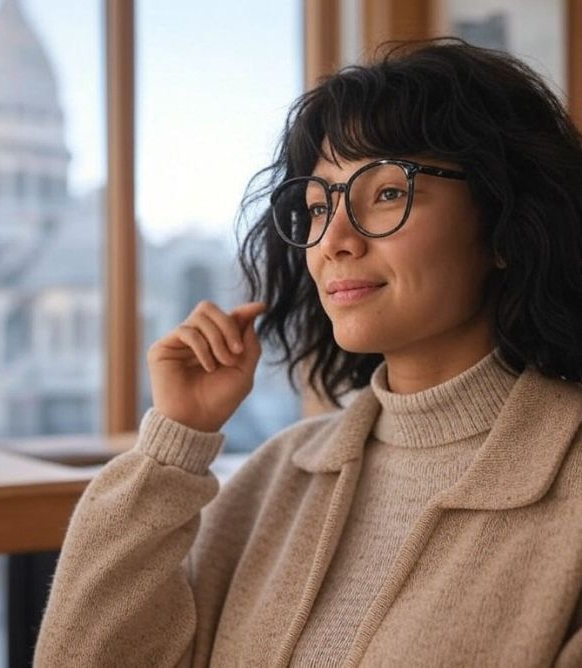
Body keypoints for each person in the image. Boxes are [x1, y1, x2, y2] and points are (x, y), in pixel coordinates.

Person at [33, 38, 582, 667]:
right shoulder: (274, 479)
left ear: (505, 226)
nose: (335, 241)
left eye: (386, 193)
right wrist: (173, 446)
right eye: (318, 206)